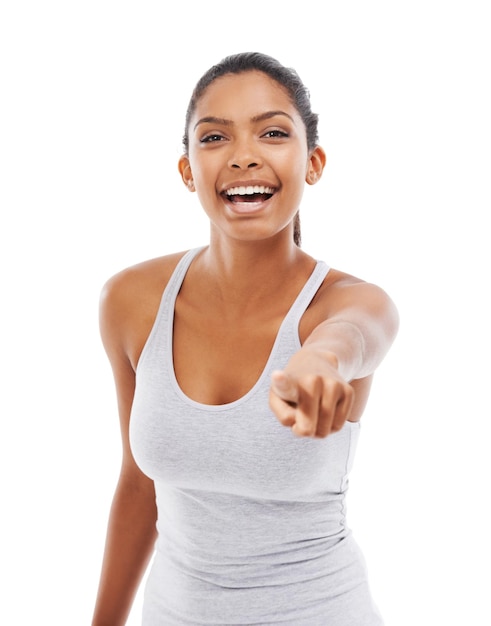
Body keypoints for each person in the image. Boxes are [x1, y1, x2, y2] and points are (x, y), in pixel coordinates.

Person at [91, 51, 399, 626]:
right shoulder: (131, 302)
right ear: (187, 170)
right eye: (214, 138)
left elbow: (352, 336)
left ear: (313, 162)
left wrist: (320, 361)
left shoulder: (351, 303)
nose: (244, 156)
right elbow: (139, 486)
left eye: (273, 132)